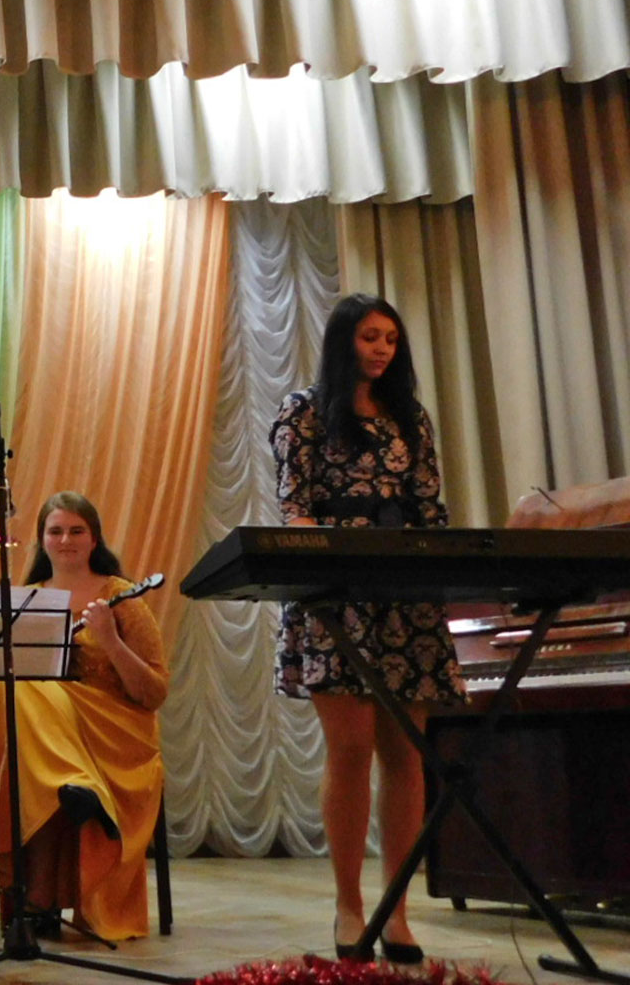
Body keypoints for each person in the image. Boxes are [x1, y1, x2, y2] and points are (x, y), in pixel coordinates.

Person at [272, 292, 458, 965]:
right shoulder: (303, 411)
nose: (382, 349)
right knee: (349, 750)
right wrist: (326, 563)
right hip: (335, 592)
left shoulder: (410, 415)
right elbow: (293, 507)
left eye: (391, 339)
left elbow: (430, 506)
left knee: (405, 753)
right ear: (343, 340)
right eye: (370, 337)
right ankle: (349, 907)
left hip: (404, 594)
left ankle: (396, 913)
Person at [0, 492, 167, 942]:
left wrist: (110, 640)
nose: (66, 540)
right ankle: (73, 786)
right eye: (56, 531)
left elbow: (154, 693)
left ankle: (37, 897)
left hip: (114, 730)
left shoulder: (121, 597)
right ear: (42, 540)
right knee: (16, 691)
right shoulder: (24, 601)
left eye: (76, 531)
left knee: (27, 709)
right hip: (46, 732)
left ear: (94, 538)